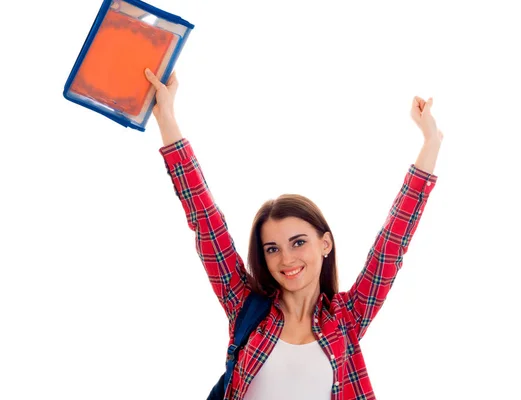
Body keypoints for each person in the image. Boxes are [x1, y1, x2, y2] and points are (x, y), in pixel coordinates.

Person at [144, 68, 443, 400]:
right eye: (272, 249)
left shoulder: (347, 317)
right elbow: (205, 220)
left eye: (298, 242)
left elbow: (394, 240)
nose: (286, 258)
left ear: (325, 243)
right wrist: (166, 118)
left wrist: (431, 141)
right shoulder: (245, 307)